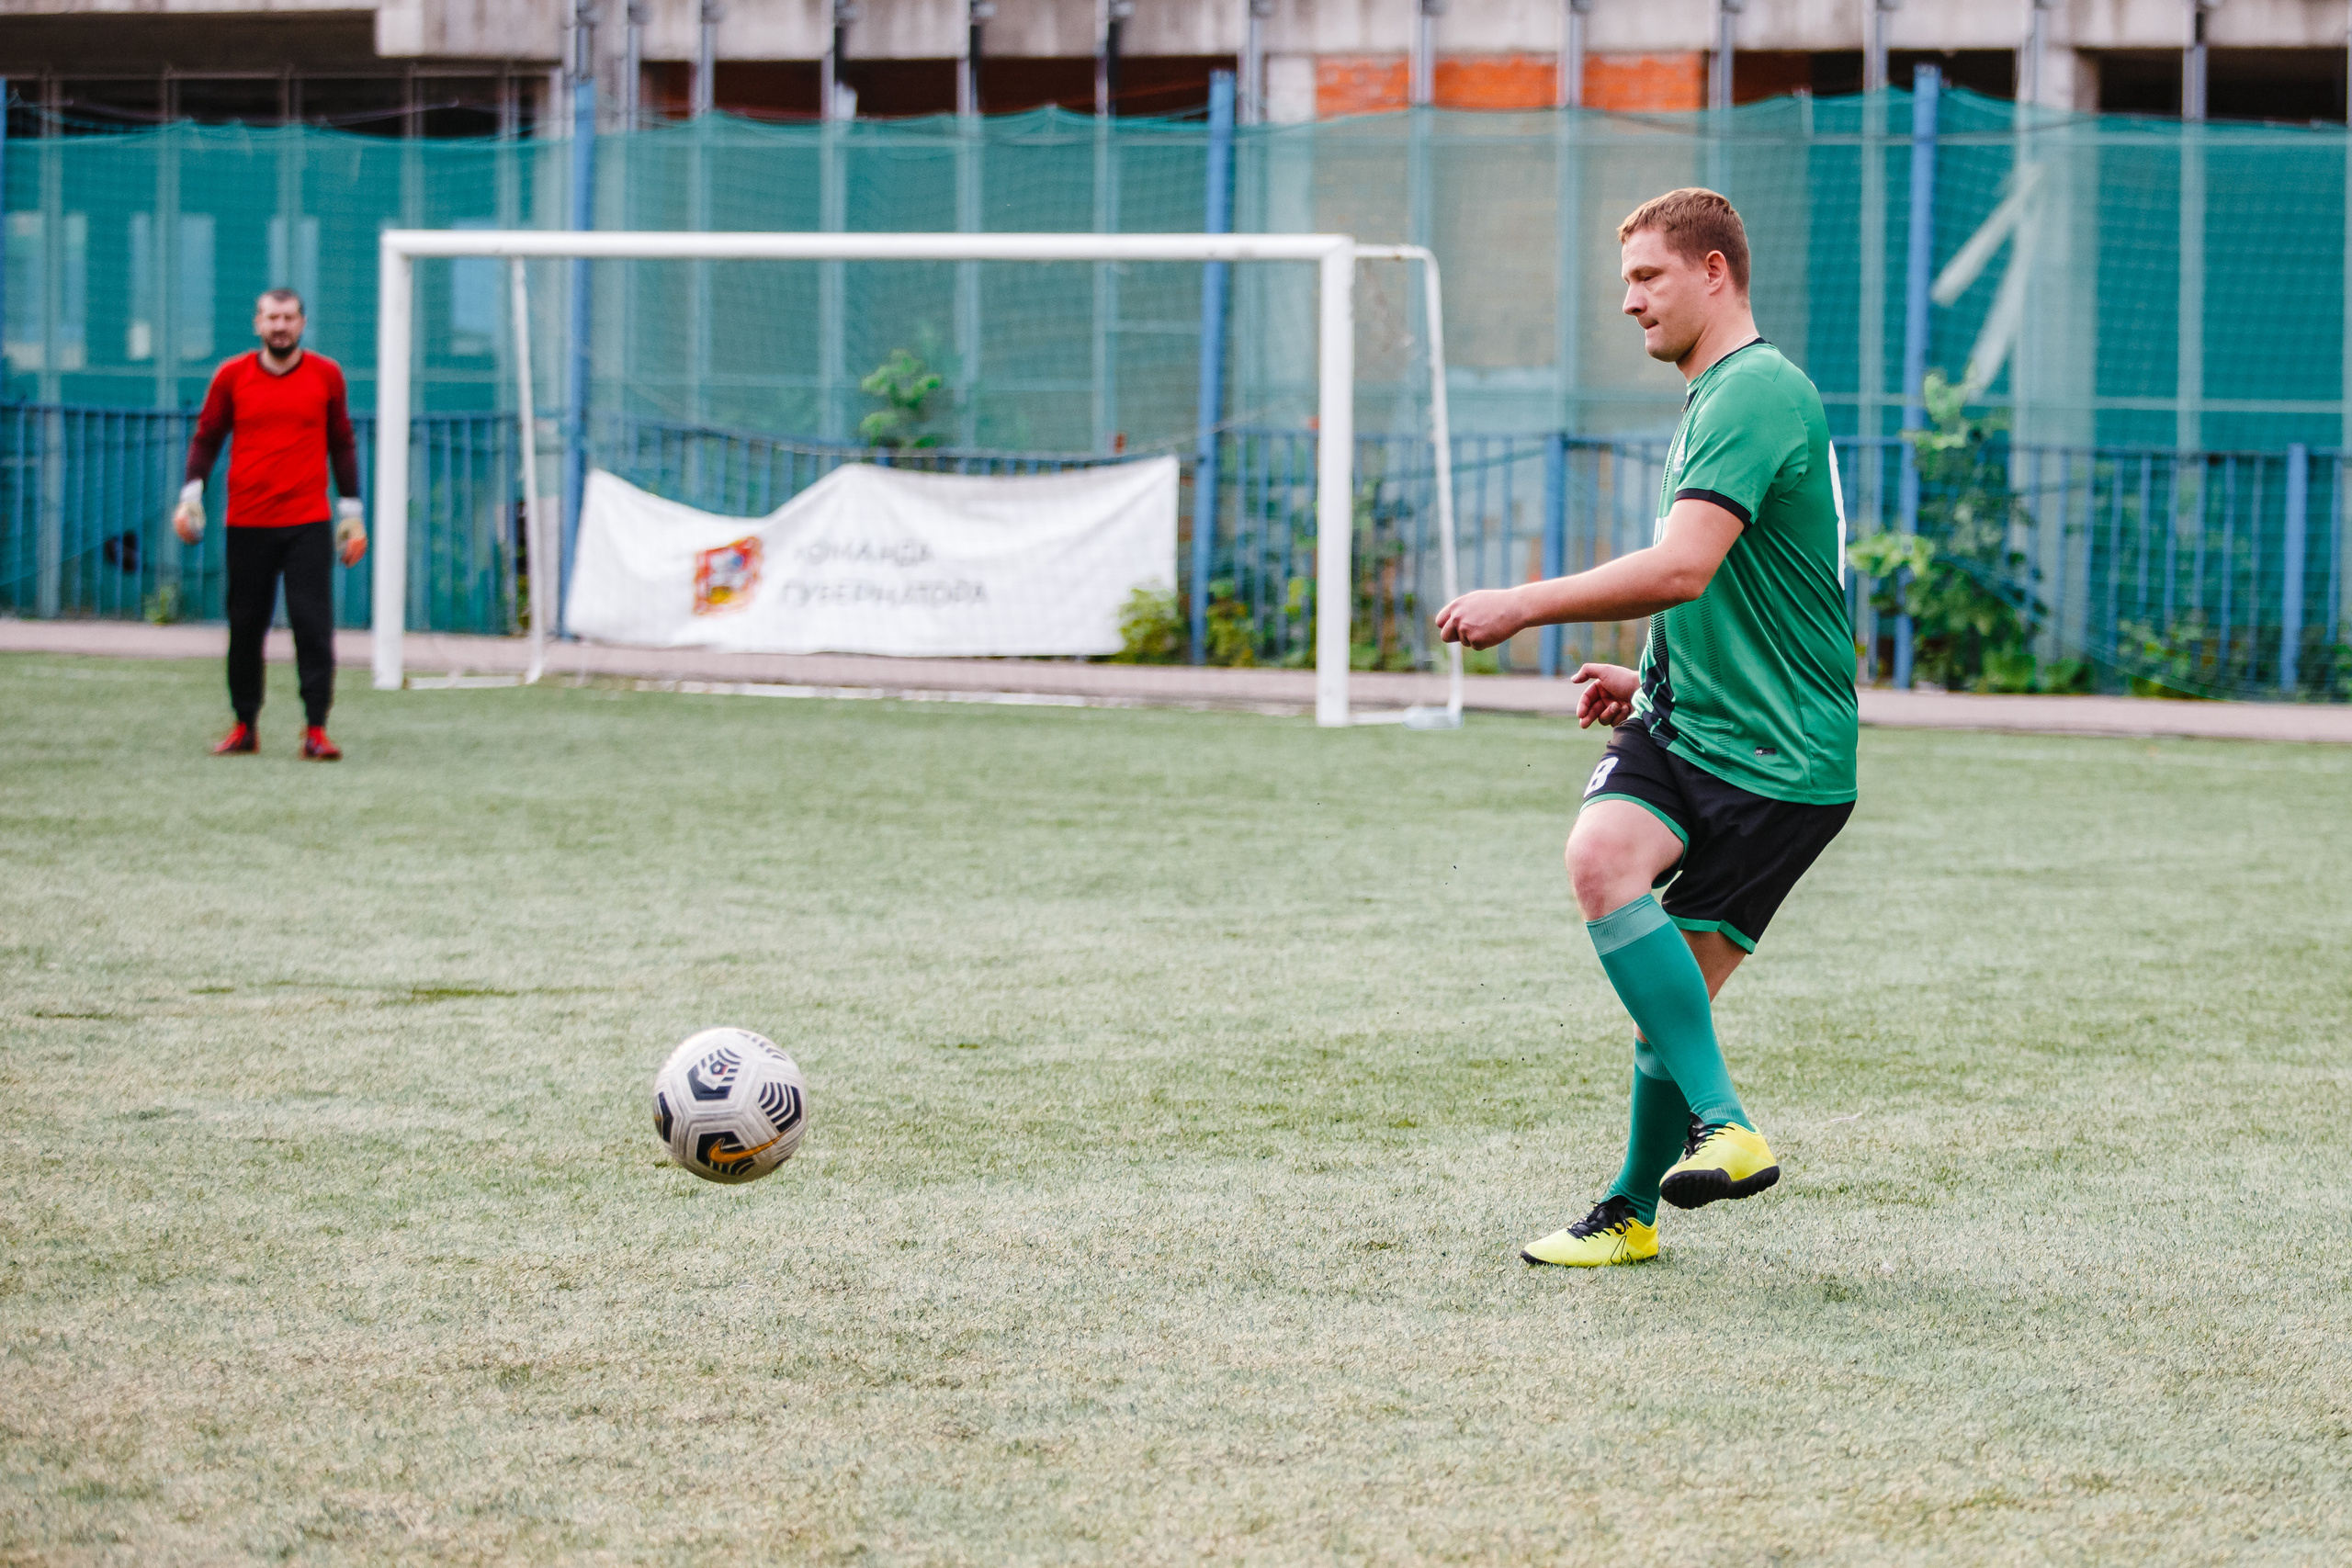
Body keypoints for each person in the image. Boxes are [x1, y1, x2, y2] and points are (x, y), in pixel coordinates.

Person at [1433, 188, 1858, 1268]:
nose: (1628, 301)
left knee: (1666, 1011)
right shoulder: (1723, 393)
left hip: (1778, 755)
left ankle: (1652, 1191)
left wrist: (1522, 602)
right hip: (1696, 718)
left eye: (1646, 277)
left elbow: (1682, 568)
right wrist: (1653, 674)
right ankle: (1690, 1158)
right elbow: (1732, 585)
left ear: (1713, 272)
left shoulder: (1754, 390)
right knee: (1607, 867)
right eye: (1625, 280)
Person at [174, 288, 368, 760]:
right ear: (257, 324)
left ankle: (316, 731)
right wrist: (190, 498)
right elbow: (207, 437)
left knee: (312, 626)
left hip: (307, 523)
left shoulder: (326, 375)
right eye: (271, 318)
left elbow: (342, 442)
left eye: (288, 317)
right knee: (245, 627)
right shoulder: (231, 375)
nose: (280, 326)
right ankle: (245, 727)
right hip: (247, 522)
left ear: (302, 323)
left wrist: (352, 515)